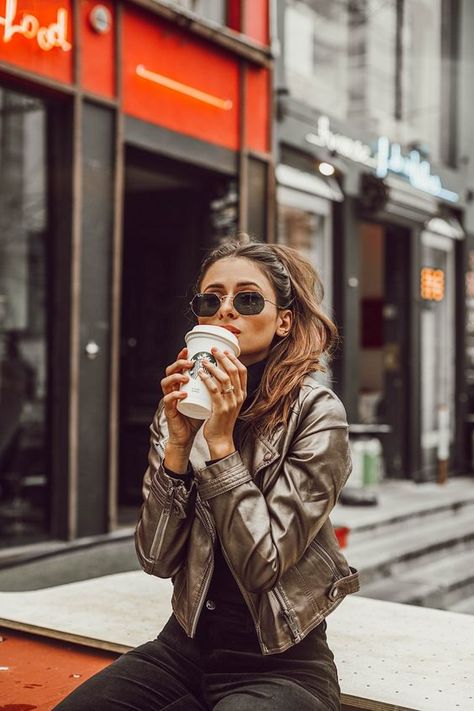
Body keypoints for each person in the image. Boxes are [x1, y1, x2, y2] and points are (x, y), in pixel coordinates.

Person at [55, 236, 359, 710]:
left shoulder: (317, 412)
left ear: (284, 321)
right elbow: (156, 558)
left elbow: (263, 567)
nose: (225, 311)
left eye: (247, 298)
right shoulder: (178, 410)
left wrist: (219, 444)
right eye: (210, 299)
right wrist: (179, 443)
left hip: (282, 664)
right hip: (182, 648)